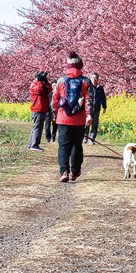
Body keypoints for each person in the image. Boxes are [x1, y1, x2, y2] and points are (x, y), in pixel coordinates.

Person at [52, 51, 92, 182]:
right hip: (79, 120)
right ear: (80, 66)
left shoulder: (61, 81)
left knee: (63, 146)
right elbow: (89, 100)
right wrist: (89, 115)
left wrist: (57, 112)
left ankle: (64, 171)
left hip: (63, 118)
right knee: (77, 145)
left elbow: (54, 100)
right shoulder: (86, 81)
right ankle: (74, 172)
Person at [28, 71, 52, 151]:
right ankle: (34, 145)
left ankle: (31, 144)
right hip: (37, 109)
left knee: (37, 127)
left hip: (41, 108)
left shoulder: (41, 84)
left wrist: (46, 81)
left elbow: (49, 89)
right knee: (37, 127)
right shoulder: (34, 85)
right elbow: (40, 89)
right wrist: (40, 80)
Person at [84, 72, 107, 144]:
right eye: (92, 77)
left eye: (95, 78)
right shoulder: (87, 87)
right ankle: (85, 137)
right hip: (88, 108)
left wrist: (104, 106)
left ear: (97, 79)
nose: (94, 79)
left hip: (97, 108)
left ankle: (92, 139)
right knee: (87, 123)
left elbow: (103, 98)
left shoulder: (100, 88)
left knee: (95, 124)